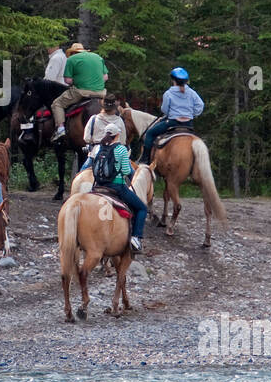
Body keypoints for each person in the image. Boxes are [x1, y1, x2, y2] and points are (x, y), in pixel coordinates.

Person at [93, 122, 146, 253]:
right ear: (117, 135)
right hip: (116, 186)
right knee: (142, 208)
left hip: (98, 186)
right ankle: (135, 238)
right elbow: (126, 170)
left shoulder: (98, 148)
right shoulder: (121, 149)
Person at [139, 67, 204, 164]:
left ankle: (145, 159)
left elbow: (164, 110)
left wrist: (171, 113)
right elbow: (200, 105)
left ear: (173, 80)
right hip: (188, 124)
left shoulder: (168, 94)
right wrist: (192, 114)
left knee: (150, 133)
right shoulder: (192, 93)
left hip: (172, 122)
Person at [50, 43, 108, 141]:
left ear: (72, 53)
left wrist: (79, 80)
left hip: (82, 92)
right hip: (101, 93)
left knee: (57, 104)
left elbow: (67, 81)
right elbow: (105, 77)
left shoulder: (71, 59)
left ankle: (60, 129)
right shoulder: (97, 57)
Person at [81, 94, 126, 170]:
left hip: (96, 153)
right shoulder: (119, 121)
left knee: (80, 176)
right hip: (115, 155)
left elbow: (86, 138)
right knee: (131, 174)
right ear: (114, 108)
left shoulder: (94, 119)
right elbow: (123, 141)